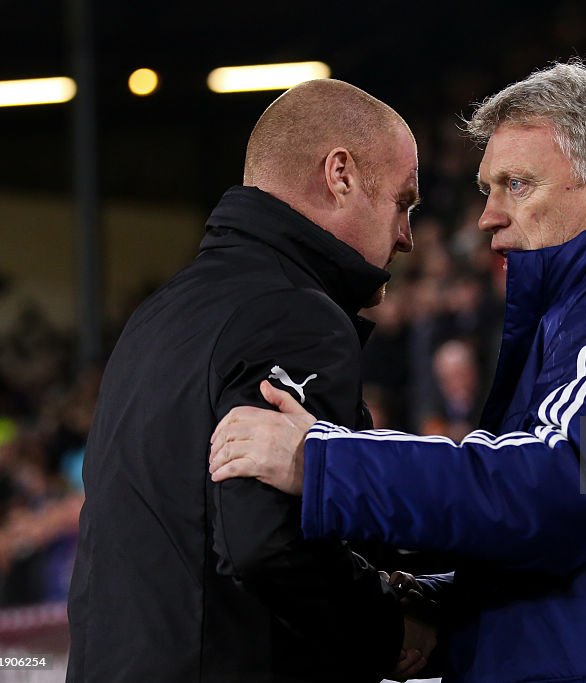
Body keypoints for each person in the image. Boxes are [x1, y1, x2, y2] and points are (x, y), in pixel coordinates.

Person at [210, 62, 586, 682]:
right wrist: (440, 607)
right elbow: (575, 557)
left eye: (516, 184)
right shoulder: (579, 316)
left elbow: (566, 491)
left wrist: (325, 462)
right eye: (488, 188)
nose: (488, 215)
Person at [67, 79, 434, 682]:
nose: (406, 236)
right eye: (403, 202)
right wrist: (389, 626)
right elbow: (265, 541)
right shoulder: (294, 313)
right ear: (340, 174)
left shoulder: (159, 313)